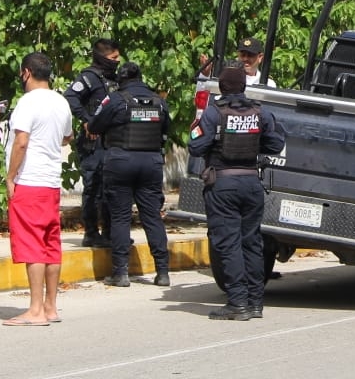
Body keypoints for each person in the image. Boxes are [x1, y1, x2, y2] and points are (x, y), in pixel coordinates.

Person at [189, 65, 286, 320]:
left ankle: (237, 303)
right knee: (252, 242)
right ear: (244, 86)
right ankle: (255, 303)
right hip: (252, 185)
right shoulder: (260, 113)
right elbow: (276, 144)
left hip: (223, 185)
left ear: (221, 87)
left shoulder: (214, 113)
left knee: (228, 243)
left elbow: (195, 146)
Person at [4, 52, 73, 326]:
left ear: (26, 72)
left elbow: (21, 141)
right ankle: (50, 306)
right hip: (51, 181)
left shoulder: (27, 102)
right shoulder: (61, 101)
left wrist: (10, 177)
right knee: (50, 243)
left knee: (32, 244)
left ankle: (34, 310)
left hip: (30, 180)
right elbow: (67, 136)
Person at [87, 62, 172, 288]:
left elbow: (94, 125)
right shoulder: (159, 101)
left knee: (120, 217)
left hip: (121, 161)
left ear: (120, 80)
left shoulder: (116, 99)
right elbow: (167, 129)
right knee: (152, 217)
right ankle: (163, 272)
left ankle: (121, 273)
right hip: (151, 162)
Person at [64, 38, 121, 247]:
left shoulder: (113, 79)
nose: (117, 61)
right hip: (93, 144)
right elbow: (70, 97)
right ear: (101, 57)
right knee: (93, 188)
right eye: (113, 57)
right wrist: (88, 121)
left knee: (111, 187)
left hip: (112, 142)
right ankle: (91, 232)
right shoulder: (89, 78)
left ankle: (109, 232)